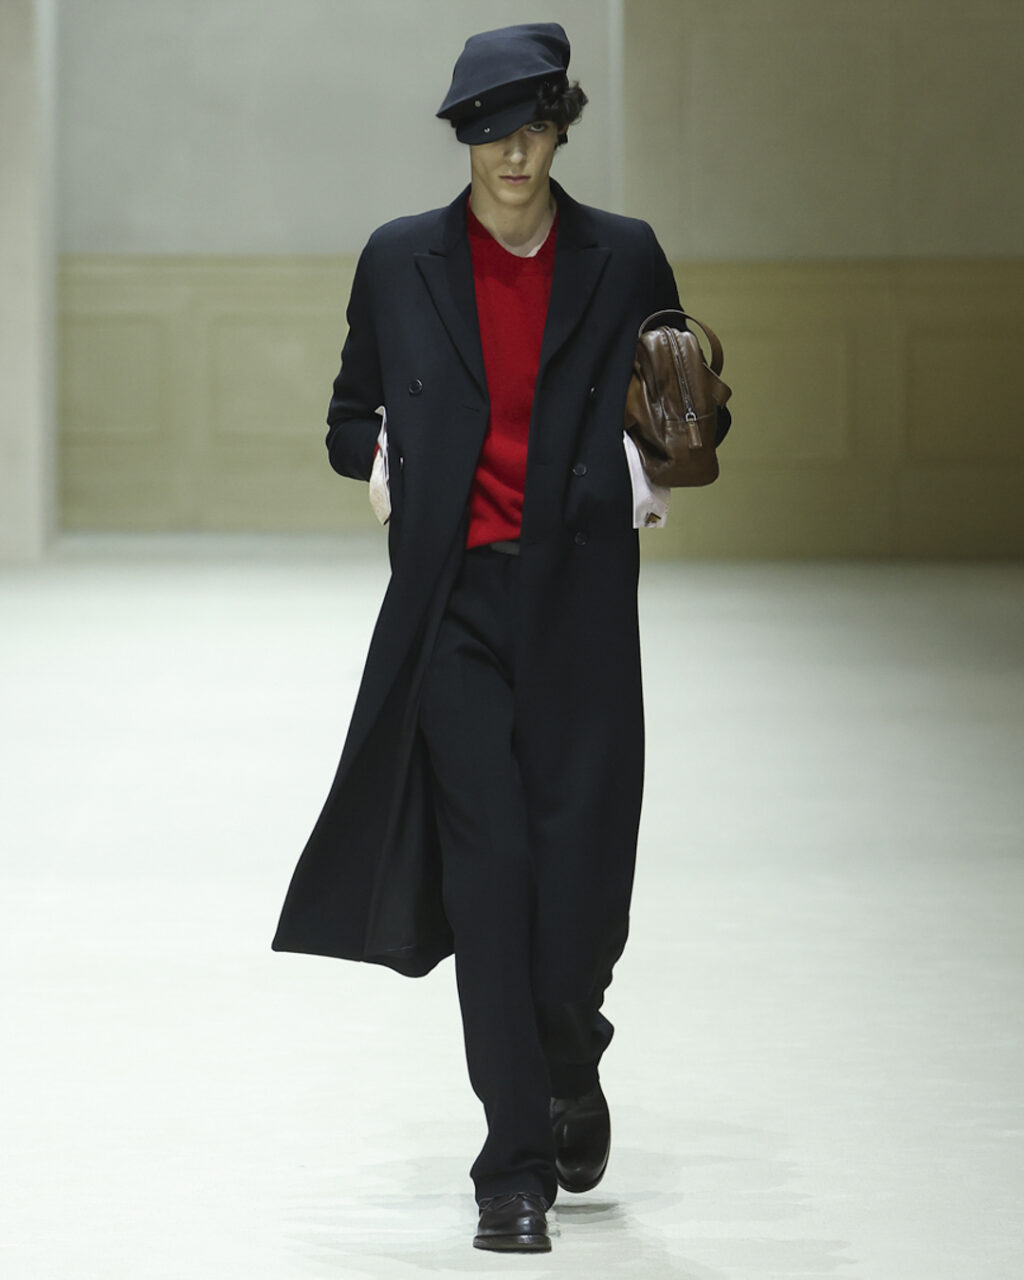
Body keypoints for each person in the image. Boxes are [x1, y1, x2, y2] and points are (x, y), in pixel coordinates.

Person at [272, 21, 682, 1254]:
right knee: (489, 883)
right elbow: (348, 415)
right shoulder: (400, 260)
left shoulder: (622, 254)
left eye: (533, 127)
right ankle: (512, 1167)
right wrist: (387, 464)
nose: (512, 153)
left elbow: (673, 406)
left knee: (582, 889)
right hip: (451, 608)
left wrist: (646, 462)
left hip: (581, 604)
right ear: (462, 138)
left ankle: (569, 1049)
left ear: (561, 129)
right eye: (491, 131)